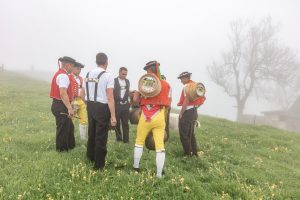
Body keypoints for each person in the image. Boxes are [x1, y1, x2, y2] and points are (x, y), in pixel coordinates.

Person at [133, 61, 171, 178]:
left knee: (139, 142)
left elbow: (135, 100)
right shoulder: (166, 84)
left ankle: (136, 167)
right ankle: (159, 174)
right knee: (160, 146)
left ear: (150, 70)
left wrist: (138, 95)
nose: (146, 72)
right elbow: (169, 103)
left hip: (145, 115)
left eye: (147, 70)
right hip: (159, 115)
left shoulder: (143, 82)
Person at [85, 52, 117, 170]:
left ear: (96, 61)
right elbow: (110, 97)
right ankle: (99, 165)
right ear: (106, 63)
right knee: (101, 136)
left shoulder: (88, 74)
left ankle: (90, 156)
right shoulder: (108, 76)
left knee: (91, 132)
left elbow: (82, 93)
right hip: (102, 107)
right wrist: (113, 116)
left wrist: (88, 104)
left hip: (90, 106)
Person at [50, 56, 76, 152]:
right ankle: (61, 150)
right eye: (72, 66)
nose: (73, 68)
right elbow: (63, 93)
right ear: (67, 65)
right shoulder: (63, 76)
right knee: (63, 128)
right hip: (61, 105)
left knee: (68, 126)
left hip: (58, 104)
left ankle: (70, 146)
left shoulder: (59, 74)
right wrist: (69, 108)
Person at [177, 71, 205, 156]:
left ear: (186, 78)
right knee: (191, 133)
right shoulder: (196, 86)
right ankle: (194, 152)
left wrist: (181, 113)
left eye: (181, 79)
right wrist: (195, 107)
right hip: (194, 112)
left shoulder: (187, 86)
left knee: (183, 134)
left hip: (187, 112)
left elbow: (186, 101)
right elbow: (203, 98)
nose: (181, 81)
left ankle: (188, 154)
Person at [69, 62, 88, 140]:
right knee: (71, 121)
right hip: (73, 101)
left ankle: (83, 139)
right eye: (77, 69)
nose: (79, 70)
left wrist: (85, 101)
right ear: (72, 68)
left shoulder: (81, 78)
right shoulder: (68, 77)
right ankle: (70, 138)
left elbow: (83, 90)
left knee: (84, 120)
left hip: (81, 101)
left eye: (80, 69)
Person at [113, 67, 130, 143]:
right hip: (117, 105)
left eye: (126, 74)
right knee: (117, 123)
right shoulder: (114, 81)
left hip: (125, 105)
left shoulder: (127, 81)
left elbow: (127, 92)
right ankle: (119, 139)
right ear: (119, 72)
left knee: (125, 123)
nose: (124, 76)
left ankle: (126, 140)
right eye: (123, 74)